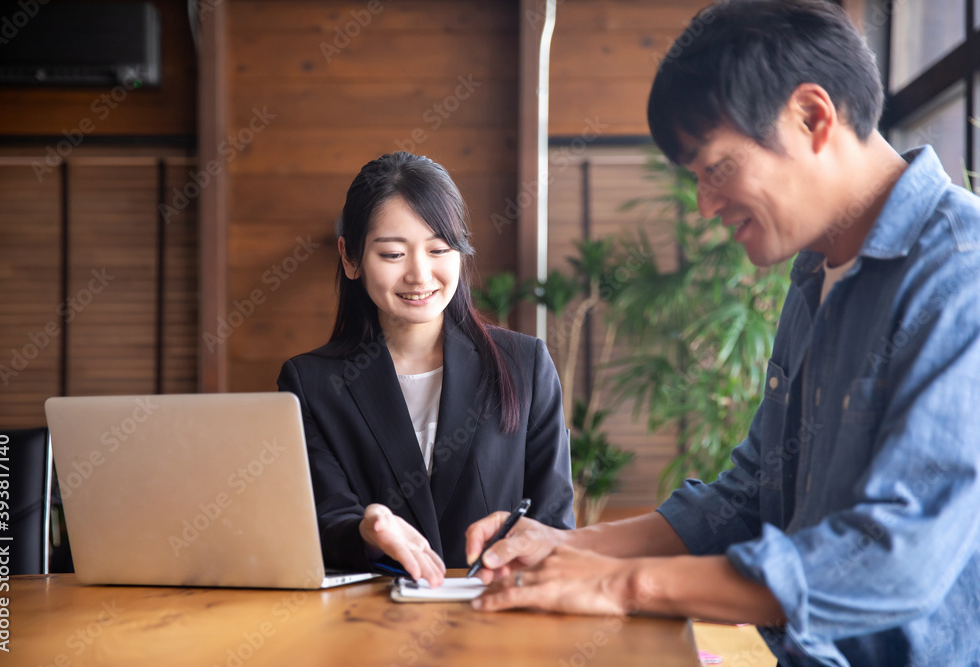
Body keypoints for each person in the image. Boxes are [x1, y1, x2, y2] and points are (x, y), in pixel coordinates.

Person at [464, 1, 980, 665]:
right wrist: (569, 546)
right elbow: (747, 500)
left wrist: (624, 585)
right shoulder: (814, 276)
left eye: (715, 169)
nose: (705, 207)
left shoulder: (960, 272)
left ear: (812, 116)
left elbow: (893, 559)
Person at [277, 151, 575, 586]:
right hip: (367, 625)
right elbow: (321, 522)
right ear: (350, 257)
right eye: (394, 254)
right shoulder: (311, 383)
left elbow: (552, 523)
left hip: (494, 620)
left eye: (439, 249)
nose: (420, 274)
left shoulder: (524, 365)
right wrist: (368, 530)